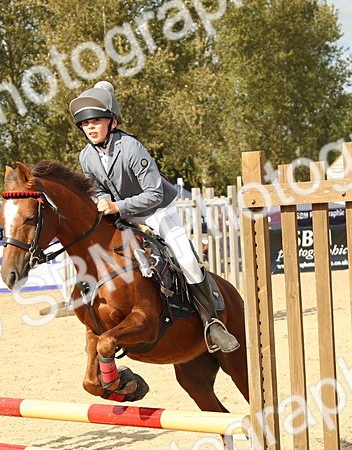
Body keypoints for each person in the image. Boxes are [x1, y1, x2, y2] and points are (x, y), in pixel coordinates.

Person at [69, 81, 239, 353]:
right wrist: (102, 201)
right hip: (122, 212)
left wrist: (117, 207)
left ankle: (212, 323)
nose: (90, 127)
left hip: (157, 210)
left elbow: (154, 193)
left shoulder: (131, 148)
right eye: (85, 124)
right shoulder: (86, 156)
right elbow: (98, 188)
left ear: (113, 122)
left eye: (96, 121)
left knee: (186, 259)